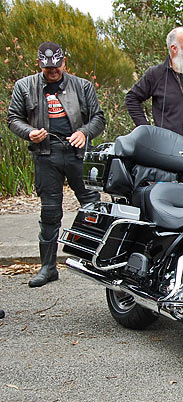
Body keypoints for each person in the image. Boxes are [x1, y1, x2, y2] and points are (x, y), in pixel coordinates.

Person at [8, 42, 105, 288]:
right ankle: (48, 268)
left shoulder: (82, 86)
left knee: (92, 207)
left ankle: (98, 261)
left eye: (56, 67)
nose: (52, 71)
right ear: (39, 65)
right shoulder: (25, 86)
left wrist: (84, 132)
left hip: (77, 154)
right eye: (47, 68)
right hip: (45, 154)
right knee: (50, 212)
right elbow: (13, 118)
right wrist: (29, 132)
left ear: (64, 62)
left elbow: (98, 118)